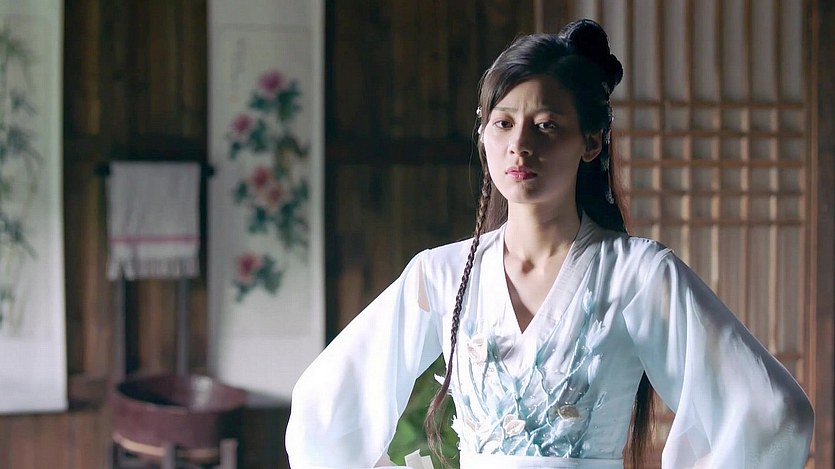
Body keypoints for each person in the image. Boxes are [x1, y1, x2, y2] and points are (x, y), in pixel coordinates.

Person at [285, 19, 814, 469]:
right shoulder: (440, 274)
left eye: (546, 125)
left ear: (591, 141)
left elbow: (773, 413)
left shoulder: (638, 274)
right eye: (503, 123)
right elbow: (322, 408)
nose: (520, 145)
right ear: (484, 135)